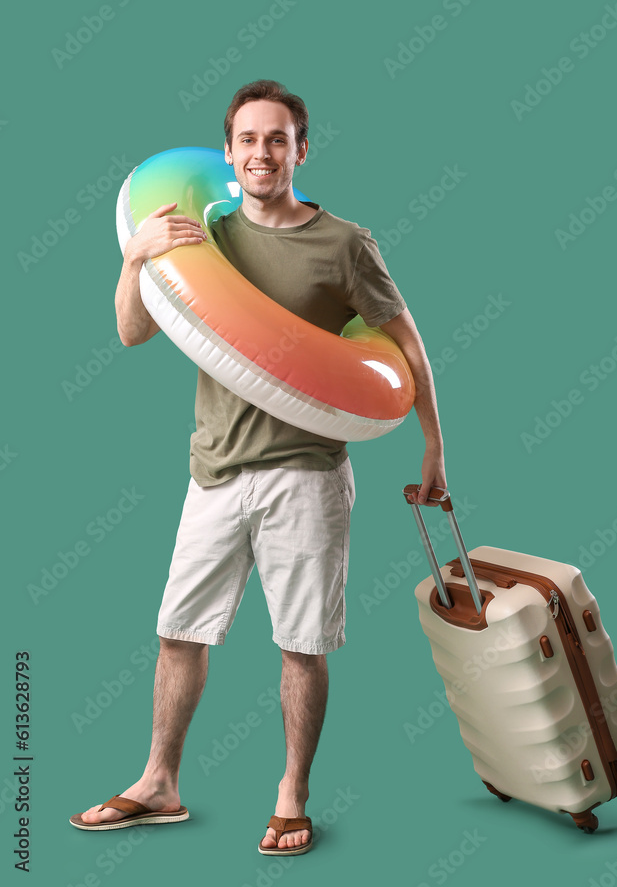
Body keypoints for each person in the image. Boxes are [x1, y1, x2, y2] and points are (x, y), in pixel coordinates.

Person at [69, 80, 446, 855]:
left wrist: (433, 444)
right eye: (247, 139)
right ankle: (158, 783)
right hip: (214, 469)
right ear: (230, 150)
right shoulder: (199, 234)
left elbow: (405, 346)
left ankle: (290, 794)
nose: (261, 153)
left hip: (307, 475)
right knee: (178, 632)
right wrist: (133, 257)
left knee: (300, 643)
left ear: (300, 150)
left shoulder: (344, 243)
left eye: (277, 139)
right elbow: (134, 332)